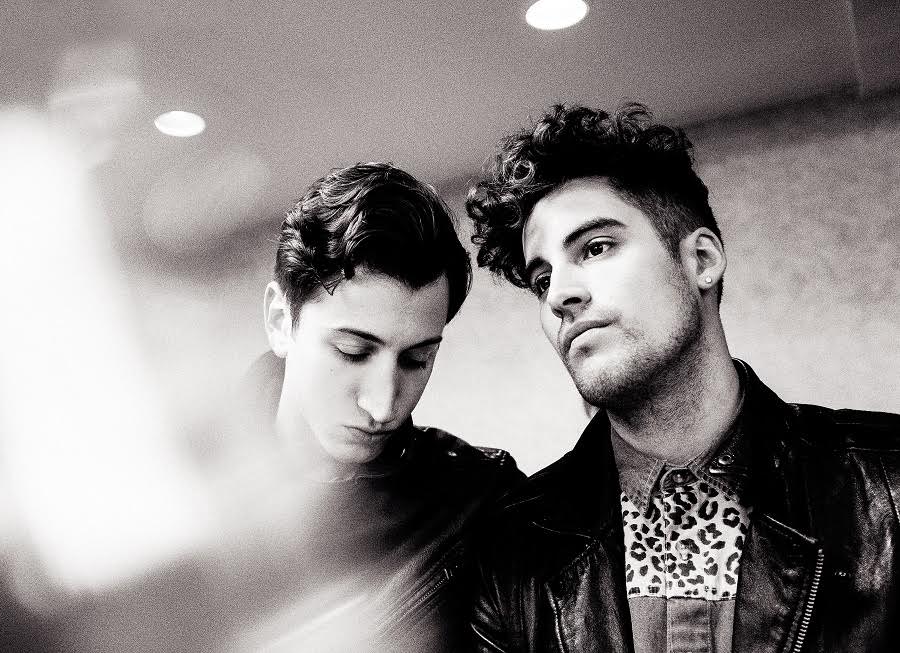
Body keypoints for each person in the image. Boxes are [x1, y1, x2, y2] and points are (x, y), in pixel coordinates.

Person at [463, 103, 900, 652]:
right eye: (542, 279)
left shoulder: (888, 487)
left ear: (702, 260)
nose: (559, 296)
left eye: (595, 248)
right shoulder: (510, 549)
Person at [237, 161, 523, 652]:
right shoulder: (166, 497)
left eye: (416, 360)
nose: (383, 404)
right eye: (353, 352)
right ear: (281, 321)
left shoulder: (479, 501)